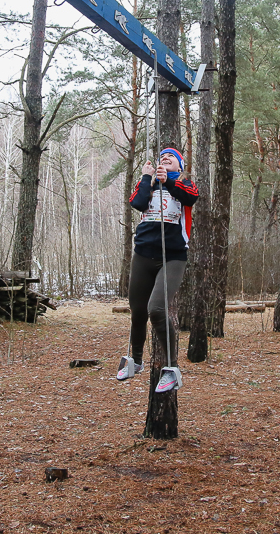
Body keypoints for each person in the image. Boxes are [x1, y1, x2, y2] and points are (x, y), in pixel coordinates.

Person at [117, 148, 198, 393]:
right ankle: (137, 361)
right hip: (143, 254)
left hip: (172, 257)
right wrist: (146, 178)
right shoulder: (148, 185)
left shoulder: (185, 183)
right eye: (162, 157)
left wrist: (168, 181)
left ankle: (172, 370)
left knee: (157, 308)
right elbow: (137, 203)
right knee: (138, 310)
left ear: (180, 165)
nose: (165, 159)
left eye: (171, 157)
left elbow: (190, 198)